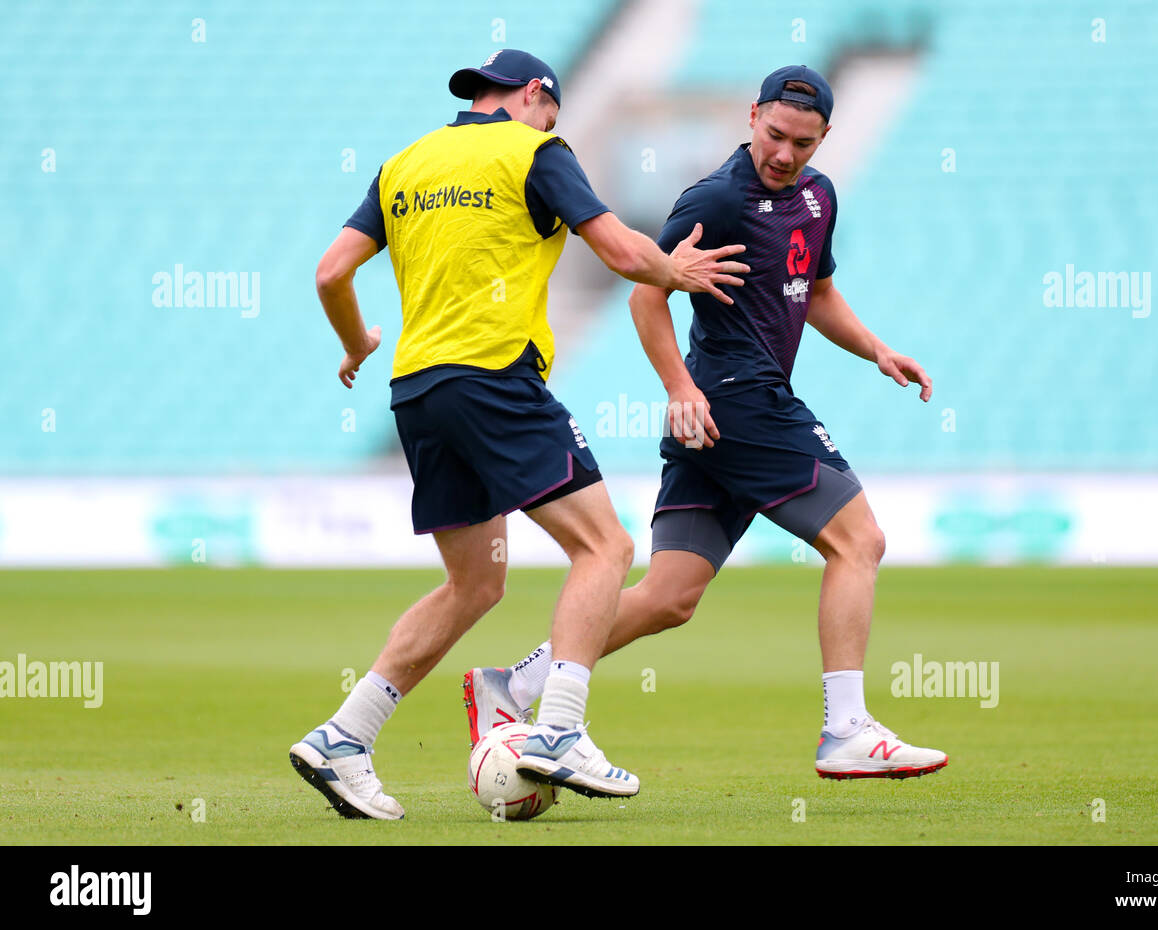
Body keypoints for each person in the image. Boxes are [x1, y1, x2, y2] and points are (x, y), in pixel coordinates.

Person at [292, 49, 749, 818]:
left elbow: (331, 273)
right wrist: (676, 272)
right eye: (552, 112)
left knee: (475, 583)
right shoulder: (537, 150)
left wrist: (354, 345)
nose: (551, 124)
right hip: (494, 378)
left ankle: (345, 736)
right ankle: (560, 728)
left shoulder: (406, 162)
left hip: (417, 391)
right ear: (537, 96)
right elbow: (616, 247)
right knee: (605, 546)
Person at [466, 65, 948, 780]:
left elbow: (814, 293)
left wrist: (876, 348)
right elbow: (644, 296)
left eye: (803, 144)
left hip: (719, 421)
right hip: (737, 399)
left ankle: (514, 687)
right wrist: (679, 384)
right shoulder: (717, 199)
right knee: (861, 541)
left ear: (825, 139)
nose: (785, 153)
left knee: (669, 597)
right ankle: (845, 728)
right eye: (776, 134)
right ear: (752, 115)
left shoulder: (819, 197)